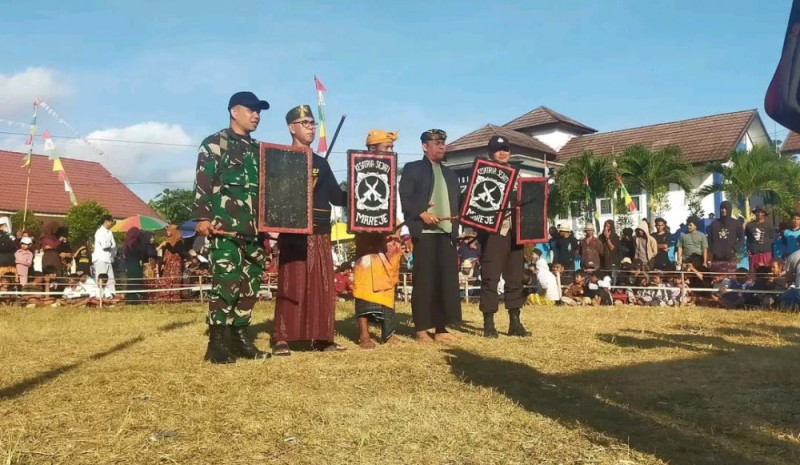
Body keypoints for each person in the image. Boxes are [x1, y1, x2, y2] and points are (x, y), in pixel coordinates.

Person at [193, 91, 272, 363]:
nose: (256, 115)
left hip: (255, 231)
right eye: (251, 109)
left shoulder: (260, 150)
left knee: (250, 286)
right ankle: (216, 342)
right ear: (233, 111)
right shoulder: (215, 144)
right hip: (224, 228)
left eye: (258, 111)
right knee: (226, 284)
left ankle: (239, 337)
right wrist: (202, 217)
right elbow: (203, 181)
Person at [272, 105, 347, 355]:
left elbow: (337, 197)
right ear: (291, 127)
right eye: (305, 123)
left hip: (321, 231)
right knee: (291, 284)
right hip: (293, 232)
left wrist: (356, 190)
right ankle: (283, 337)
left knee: (322, 285)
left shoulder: (321, 163)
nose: (311, 128)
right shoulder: (281, 159)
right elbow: (271, 198)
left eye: (313, 123)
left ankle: (322, 337)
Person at [399, 129, 462, 342]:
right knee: (425, 281)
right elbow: (405, 196)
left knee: (445, 281)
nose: (442, 146)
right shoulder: (413, 169)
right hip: (424, 233)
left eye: (443, 142)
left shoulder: (450, 175)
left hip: (446, 233)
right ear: (425, 146)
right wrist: (421, 213)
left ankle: (441, 328)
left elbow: (459, 204)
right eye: (436, 143)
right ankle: (421, 328)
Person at [352, 129, 403, 349]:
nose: (391, 151)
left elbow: (395, 204)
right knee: (364, 285)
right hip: (366, 236)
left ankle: (388, 333)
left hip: (390, 238)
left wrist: (403, 229)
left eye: (392, 147)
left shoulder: (393, 174)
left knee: (388, 286)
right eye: (387, 148)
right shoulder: (357, 171)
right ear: (373, 149)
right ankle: (364, 334)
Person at [475, 136, 529, 338]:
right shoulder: (481, 174)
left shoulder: (518, 174)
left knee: (515, 278)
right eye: (498, 150)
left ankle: (515, 322)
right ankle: (489, 323)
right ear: (491, 153)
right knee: (490, 277)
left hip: (516, 233)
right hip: (494, 234)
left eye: (505, 149)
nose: (503, 152)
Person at [706, 200, 744, 275]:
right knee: (716, 281)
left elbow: (741, 238)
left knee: (729, 281)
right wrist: (713, 250)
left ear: (729, 209)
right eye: (722, 208)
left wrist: (734, 249)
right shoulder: (714, 224)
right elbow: (709, 239)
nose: (723, 210)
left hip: (730, 259)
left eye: (725, 208)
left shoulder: (736, 224)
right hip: (716, 259)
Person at [157, 224, 185, 302]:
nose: (167, 232)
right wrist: (162, 263)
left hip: (175, 266)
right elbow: (165, 252)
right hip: (167, 265)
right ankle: (166, 297)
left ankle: (174, 298)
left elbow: (174, 250)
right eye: (167, 231)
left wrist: (167, 244)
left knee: (174, 280)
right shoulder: (168, 240)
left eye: (169, 231)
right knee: (166, 280)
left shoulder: (179, 240)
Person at [745, 205, 775, 273]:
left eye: (761, 212)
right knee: (753, 273)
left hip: (765, 253)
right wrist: (748, 249)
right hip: (753, 254)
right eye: (757, 212)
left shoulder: (769, 225)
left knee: (766, 273)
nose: (759, 214)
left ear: (764, 213)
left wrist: (765, 246)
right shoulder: (749, 225)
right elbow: (748, 239)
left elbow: (772, 238)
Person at [93, 214, 117, 295]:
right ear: (106, 222)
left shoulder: (110, 232)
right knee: (101, 280)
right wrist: (110, 244)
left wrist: (111, 245)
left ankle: (111, 296)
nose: (112, 224)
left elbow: (114, 245)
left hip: (108, 259)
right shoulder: (99, 232)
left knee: (111, 280)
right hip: (101, 258)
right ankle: (99, 297)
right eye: (111, 222)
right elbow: (105, 245)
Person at [121, 227, 146, 304]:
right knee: (136, 281)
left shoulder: (126, 243)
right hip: (135, 264)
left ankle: (130, 298)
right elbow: (140, 253)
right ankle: (137, 298)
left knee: (131, 282)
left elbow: (124, 255)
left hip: (129, 265)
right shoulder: (135, 243)